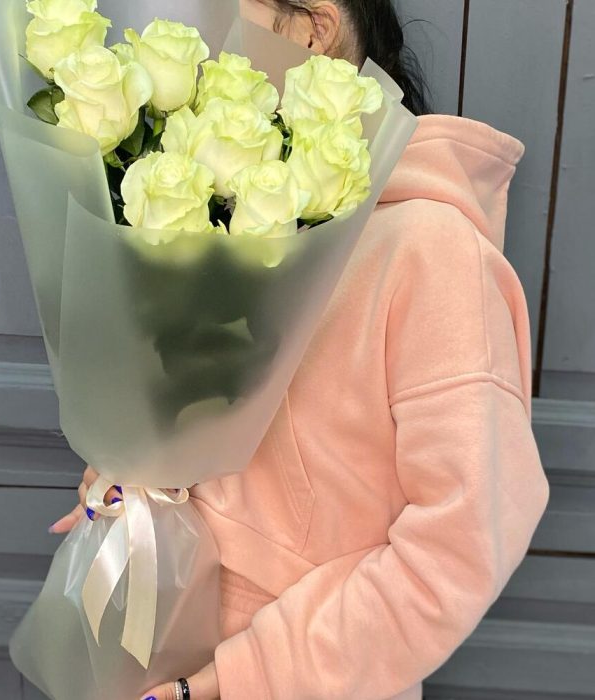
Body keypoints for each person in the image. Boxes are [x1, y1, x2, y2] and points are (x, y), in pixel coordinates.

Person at [48, 1, 551, 698]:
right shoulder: (228, 221)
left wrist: (240, 677)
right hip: (152, 641)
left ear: (313, 28)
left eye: (223, 12)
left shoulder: (433, 252)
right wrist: (133, 474)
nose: (201, 40)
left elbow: (463, 542)